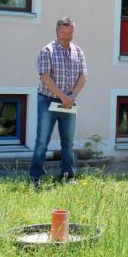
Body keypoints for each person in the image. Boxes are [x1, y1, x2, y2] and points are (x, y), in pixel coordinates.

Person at [30, 17, 88, 189]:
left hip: (69, 101)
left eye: (69, 33)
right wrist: (62, 96)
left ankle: (67, 175)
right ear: (57, 32)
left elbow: (84, 76)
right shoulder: (47, 51)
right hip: (47, 99)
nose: (66, 36)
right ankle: (36, 177)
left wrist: (72, 95)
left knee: (68, 141)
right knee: (42, 140)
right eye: (63, 32)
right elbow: (45, 77)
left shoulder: (78, 51)